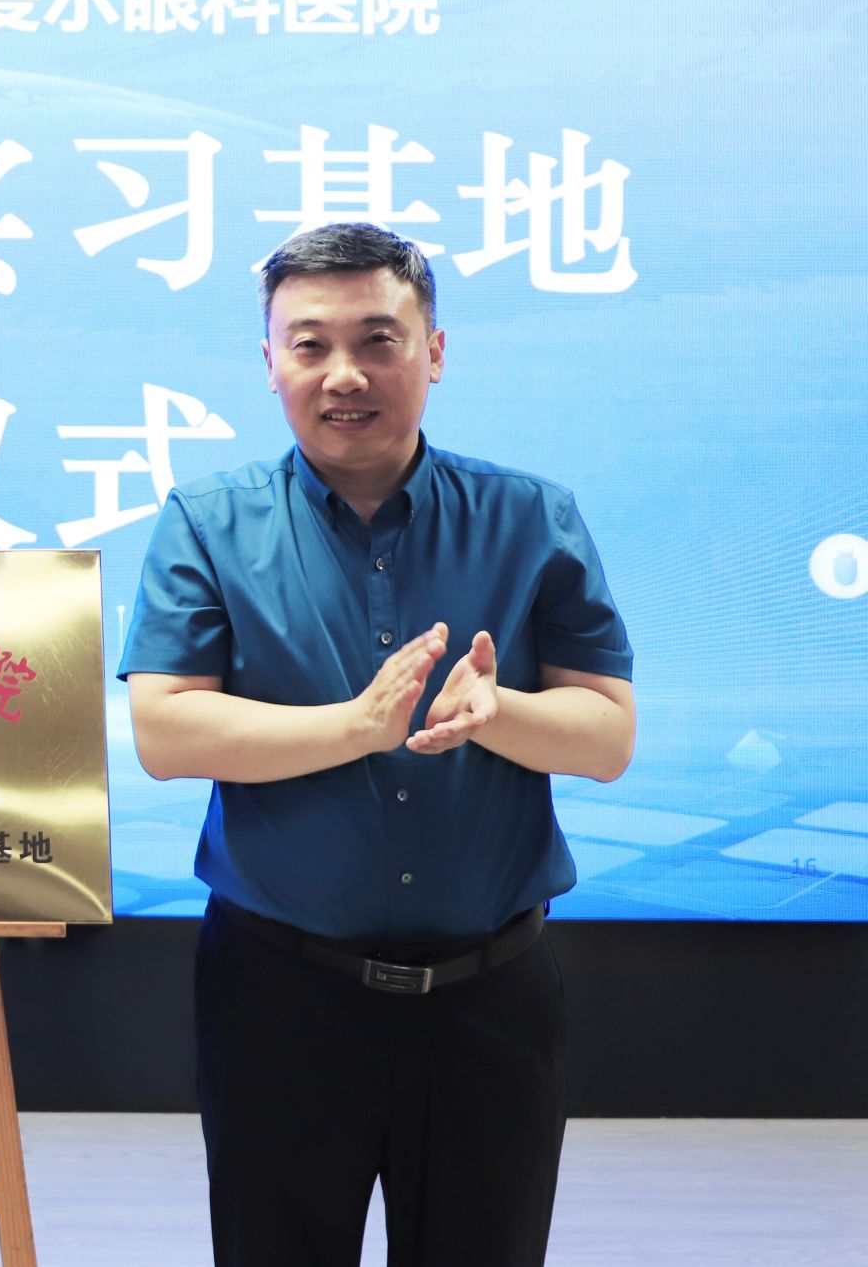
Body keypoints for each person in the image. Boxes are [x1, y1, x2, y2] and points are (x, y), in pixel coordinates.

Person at [120, 221, 635, 1266]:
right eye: (309, 344)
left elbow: (606, 737)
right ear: (269, 361)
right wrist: (356, 728)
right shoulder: (208, 521)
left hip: (491, 996)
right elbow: (166, 732)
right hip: (279, 996)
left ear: (433, 353)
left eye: (377, 340)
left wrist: (499, 713)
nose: (343, 374)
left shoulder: (530, 519)